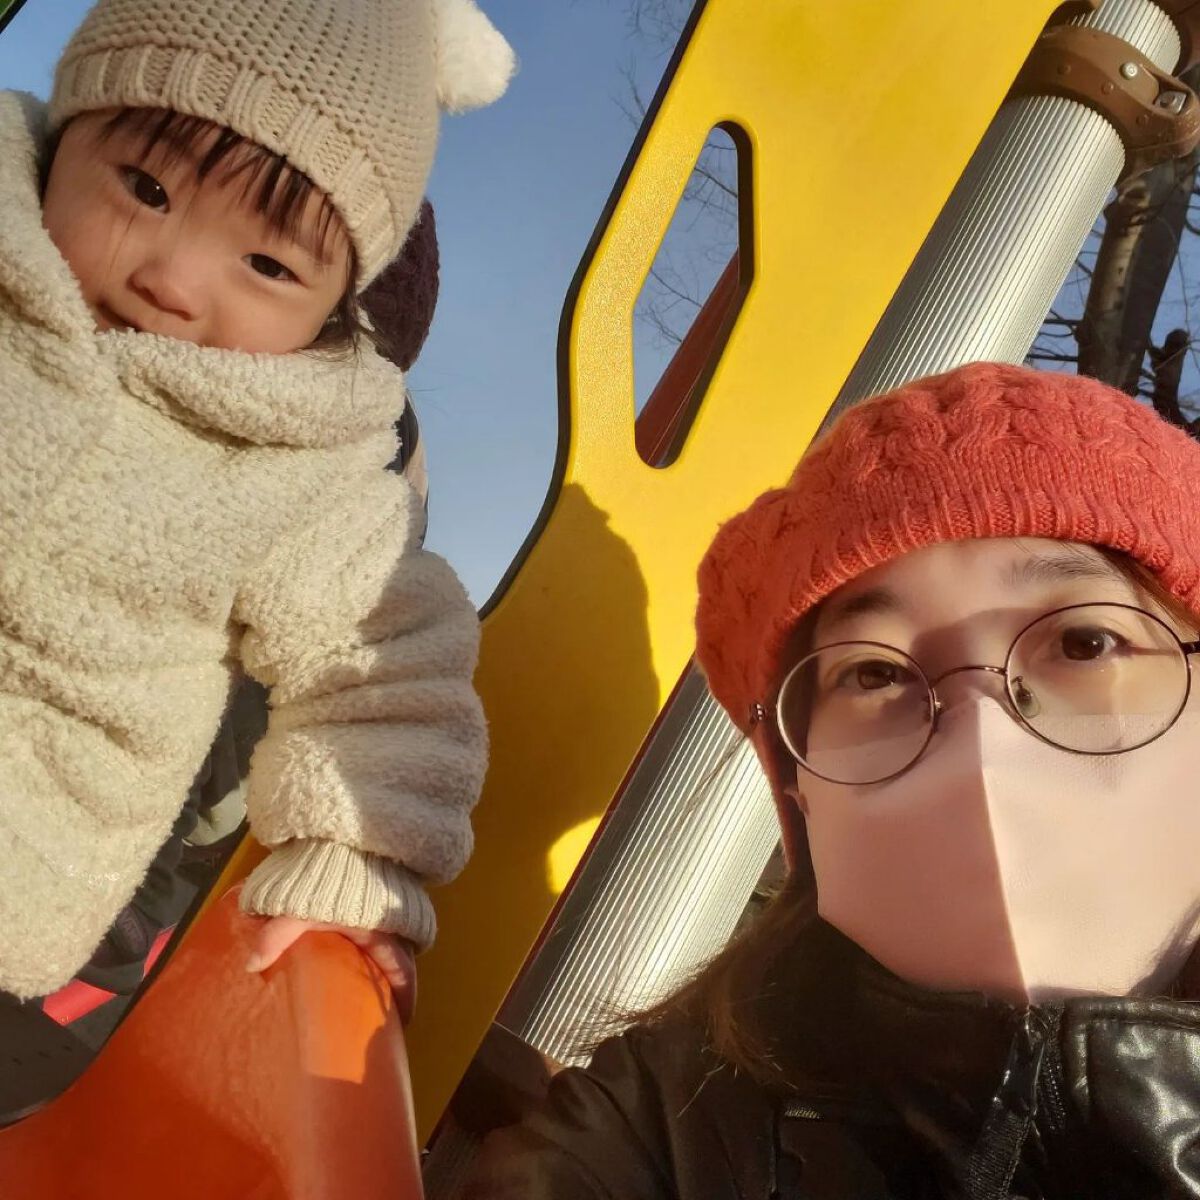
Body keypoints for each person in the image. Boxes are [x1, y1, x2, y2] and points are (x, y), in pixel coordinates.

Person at [465, 361, 1200, 1197]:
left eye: (1084, 644)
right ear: (799, 792)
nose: (982, 743)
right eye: (874, 673)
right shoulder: (659, 1122)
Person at [0, 0, 515, 1011]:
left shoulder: (306, 470)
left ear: (332, 307)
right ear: (66, 136)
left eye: (268, 265)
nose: (173, 281)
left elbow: (383, 674)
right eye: (146, 189)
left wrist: (350, 862)